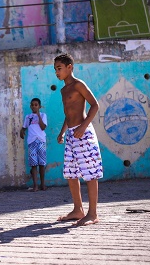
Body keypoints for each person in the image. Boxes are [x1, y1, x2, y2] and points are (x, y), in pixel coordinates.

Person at [54, 53, 103, 226]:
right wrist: (62, 132)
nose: (57, 72)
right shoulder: (63, 90)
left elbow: (95, 104)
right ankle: (78, 209)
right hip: (71, 135)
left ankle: (93, 214)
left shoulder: (78, 85)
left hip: (84, 133)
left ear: (70, 67)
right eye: (55, 69)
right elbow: (69, 114)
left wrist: (83, 126)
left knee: (90, 173)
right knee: (71, 173)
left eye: (59, 68)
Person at [19, 98, 47, 192]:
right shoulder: (28, 117)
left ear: (39, 106)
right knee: (33, 164)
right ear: (30, 106)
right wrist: (22, 131)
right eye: (32, 105)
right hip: (31, 142)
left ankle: (43, 184)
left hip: (41, 141)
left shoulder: (43, 115)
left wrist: (38, 116)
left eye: (36, 105)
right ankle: (35, 185)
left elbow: (43, 127)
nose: (34, 106)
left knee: (41, 164)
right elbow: (24, 127)